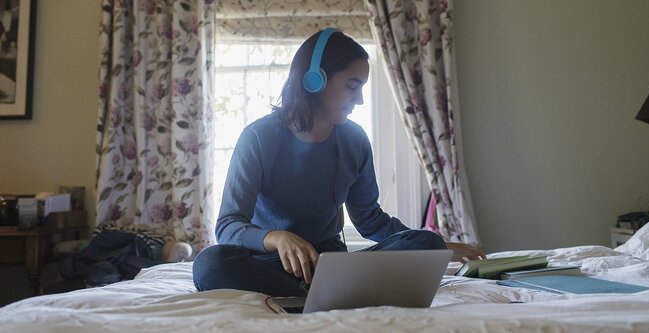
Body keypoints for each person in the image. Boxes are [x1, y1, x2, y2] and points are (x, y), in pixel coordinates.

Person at [192, 28, 484, 297]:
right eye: (352, 86)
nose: (359, 99)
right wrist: (277, 238)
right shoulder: (257, 137)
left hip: (331, 264)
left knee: (425, 243)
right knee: (209, 264)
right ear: (314, 80)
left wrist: (440, 247)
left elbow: (370, 220)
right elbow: (229, 226)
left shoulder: (354, 140)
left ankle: (322, 290)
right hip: (271, 261)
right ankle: (325, 293)